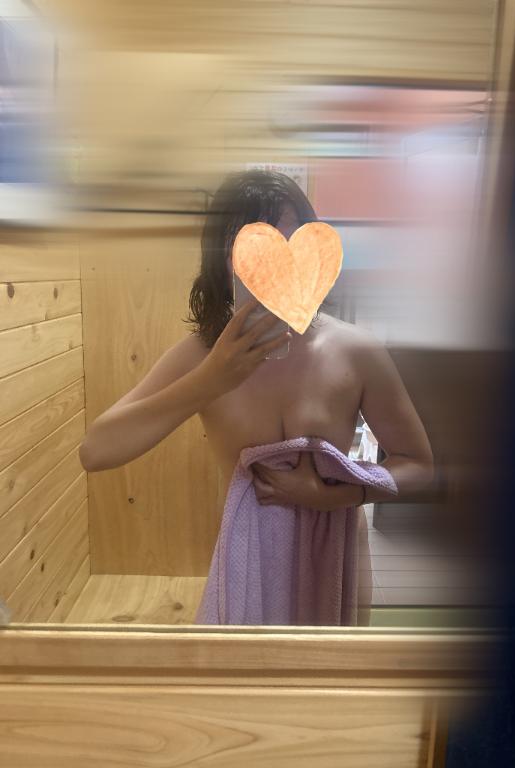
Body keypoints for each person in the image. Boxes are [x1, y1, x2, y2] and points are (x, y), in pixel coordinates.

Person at [79, 169, 435, 622]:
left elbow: (419, 465)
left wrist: (339, 496)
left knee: (325, 664)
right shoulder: (202, 358)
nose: (275, 271)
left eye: (290, 248)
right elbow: (96, 451)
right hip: (246, 568)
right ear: (222, 262)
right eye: (254, 252)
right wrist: (210, 381)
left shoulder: (356, 351)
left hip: (333, 560)